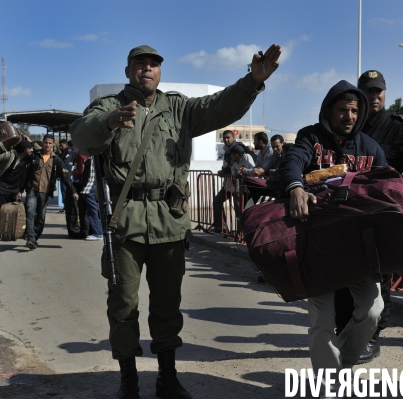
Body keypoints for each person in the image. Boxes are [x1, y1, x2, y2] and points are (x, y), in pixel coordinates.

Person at [70, 43, 281, 399]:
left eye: (154, 64)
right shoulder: (110, 106)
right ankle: (129, 379)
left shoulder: (178, 108)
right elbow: (82, 136)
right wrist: (109, 121)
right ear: (128, 71)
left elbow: (219, 106)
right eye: (140, 64)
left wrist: (252, 82)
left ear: (160, 72)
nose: (147, 70)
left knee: (167, 304)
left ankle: (167, 376)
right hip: (126, 220)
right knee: (123, 304)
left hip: (170, 218)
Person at [280, 79, 385, 388]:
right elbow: (292, 162)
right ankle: (329, 385)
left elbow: (387, 188)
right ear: (329, 110)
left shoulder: (371, 148)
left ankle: (343, 365)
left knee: (372, 310)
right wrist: (296, 187)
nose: (349, 116)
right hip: (318, 247)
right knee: (322, 322)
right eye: (342, 110)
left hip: (358, 248)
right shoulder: (310, 137)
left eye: (354, 110)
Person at [333, 70, 403, 363]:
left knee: (380, 277)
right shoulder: (348, 125)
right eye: (368, 90)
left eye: (379, 90)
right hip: (350, 215)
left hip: (382, 216)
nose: (375, 95)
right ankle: (345, 330)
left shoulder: (398, 127)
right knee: (347, 276)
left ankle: (373, 336)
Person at [24, 134, 78, 250]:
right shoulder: (34, 156)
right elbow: (25, 173)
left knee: (41, 218)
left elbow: (65, 177)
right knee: (30, 213)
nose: (47, 145)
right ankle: (30, 237)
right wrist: (19, 190)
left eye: (50, 143)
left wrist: (73, 191)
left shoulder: (56, 160)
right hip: (32, 189)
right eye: (45, 142)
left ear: (53, 144)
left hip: (45, 192)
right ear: (42, 143)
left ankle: (34, 238)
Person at [0, 140, 34, 233]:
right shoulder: (10, 155)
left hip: (14, 186)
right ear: (23, 150)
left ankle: (13, 227)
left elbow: (39, 150)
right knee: (0, 206)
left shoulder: (28, 158)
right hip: (0, 184)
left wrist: (30, 141)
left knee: (14, 207)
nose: (32, 150)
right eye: (29, 148)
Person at [213, 130, 244, 232]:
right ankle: (221, 227)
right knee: (217, 201)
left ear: (233, 137)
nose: (226, 140)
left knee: (239, 208)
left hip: (238, 183)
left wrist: (223, 171)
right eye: (224, 138)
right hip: (229, 183)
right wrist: (223, 172)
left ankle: (242, 233)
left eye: (228, 137)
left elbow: (234, 165)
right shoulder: (226, 149)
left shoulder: (237, 147)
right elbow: (227, 165)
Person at [77, 156, 103, 241]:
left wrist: (86, 190)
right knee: (96, 210)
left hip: (90, 188)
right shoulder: (98, 157)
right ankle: (99, 231)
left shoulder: (93, 159)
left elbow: (91, 176)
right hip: (95, 188)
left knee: (92, 211)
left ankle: (98, 233)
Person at [58, 139, 75, 213]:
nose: (60, 147)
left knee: (65, 191)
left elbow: (65, 164)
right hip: (63, 175)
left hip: (66, 174)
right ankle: (66, 206)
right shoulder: (64, 152)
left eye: (62, 145)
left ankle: (67, 207)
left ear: (66, 144)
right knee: (63, 192)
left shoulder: (69, 152)